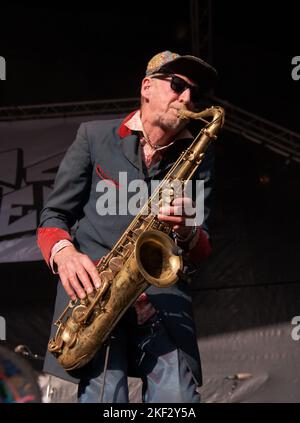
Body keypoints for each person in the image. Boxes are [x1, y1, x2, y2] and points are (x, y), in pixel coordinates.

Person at [37, 50, 217, 403]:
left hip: (163, 305)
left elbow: (203, 247)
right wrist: (66, 254)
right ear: (147, 87)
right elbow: (52, 217)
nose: (187, 98)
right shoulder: (93, 137)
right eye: (177, 85)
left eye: (195, 94)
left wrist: (187, 230)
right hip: (96, 303)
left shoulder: (199, 154)